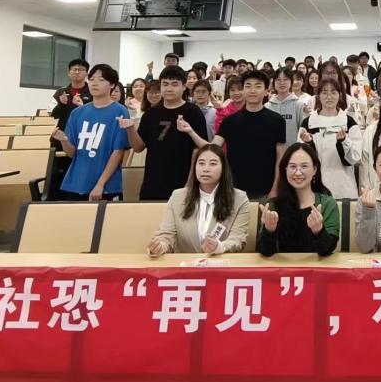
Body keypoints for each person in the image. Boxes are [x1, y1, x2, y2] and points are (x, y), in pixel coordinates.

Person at [121, 66, 210, 200]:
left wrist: (191, 181)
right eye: (165, 84)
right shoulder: (150, 114)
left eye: (174, 84)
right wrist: (130, 129)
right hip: (153, 182)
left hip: (184, 182)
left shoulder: (193, 112)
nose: (169, 88)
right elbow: (138, 147)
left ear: (184, 86)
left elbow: (200, 149)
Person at [148, 144, 251, 256]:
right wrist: (160, 246)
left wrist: (220, 247)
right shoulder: (178, 197)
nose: (205, 169)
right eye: (201, 163)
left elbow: (237, 239)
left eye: (213, 164)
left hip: (220, 263)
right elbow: (166, 235)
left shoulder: (239, 199)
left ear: (223, 168)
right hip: (185, 264)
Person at [52, 64, 131, 201]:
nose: (94, 83)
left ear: (112, 84)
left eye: (101, 80)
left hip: (107, 185)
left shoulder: (120, 111)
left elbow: (118, 152)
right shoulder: (77, 113)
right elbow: (72, 153)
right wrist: (64, 141)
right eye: (92, 79)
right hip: (77, 183)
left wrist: (100, 184)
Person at [214, 71, 287, 199]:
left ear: (266, 91)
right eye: (248, 86)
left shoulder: (277, 120)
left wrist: (275, 188)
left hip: (266, 190)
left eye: (258, 86)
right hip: (233, 190)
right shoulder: (229, 121)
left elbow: (281, 157)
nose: (252, 90)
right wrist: (191, 132)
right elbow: (213, 147)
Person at [257, 143, 340, 256]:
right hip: (282, 266)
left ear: (314, 169)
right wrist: (269, 231)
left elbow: (328, 250)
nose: (298, 172)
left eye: (304, 166)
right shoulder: (273, 206)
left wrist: (318, 230)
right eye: (292, 166)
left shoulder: (327, 204)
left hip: (316, 266)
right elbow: (265, 252)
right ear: (285, 169)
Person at [299, 77, 360, 200]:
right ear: (318, 96)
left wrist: (343, 141)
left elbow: (354, 158)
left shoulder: (348, 122)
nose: (329, 97)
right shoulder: (308, 123)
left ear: (340, 95)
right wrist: (309, 143)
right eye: (324, 92)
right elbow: (301, 159)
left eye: (333, 92)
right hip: (315, 187)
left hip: (344, 187)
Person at [48, 59, 93, 199]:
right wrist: (61, 104)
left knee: (81, 170)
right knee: (59, 172)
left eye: (81, 69)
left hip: (84, 138)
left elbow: (95, 114)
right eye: (74, 69)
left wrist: (82, 106)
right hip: (61, 137)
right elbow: (53, 115)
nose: (77, 72)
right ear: (69, 73)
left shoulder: (92, 91)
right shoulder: (61, 92)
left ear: (86, 73)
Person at [267, 69, 304, 145]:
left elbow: (302, 131)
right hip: (271, 150)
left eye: (285, 79)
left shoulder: (298, 104)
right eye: (278, 79)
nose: (282, 83)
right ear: (274, 82)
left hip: (293, 149)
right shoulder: (267, 106)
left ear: (291, 82)